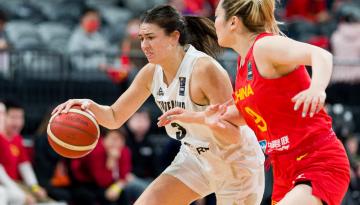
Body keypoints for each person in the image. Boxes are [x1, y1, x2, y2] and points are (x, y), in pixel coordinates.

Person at [52, 5, 265, 205]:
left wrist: (196, 119)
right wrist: (89, 106)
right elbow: (114, 117)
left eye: (151, 38)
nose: (144, 45)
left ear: (174, 37)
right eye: (142, 38)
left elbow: (233, 135)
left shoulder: (205, 70)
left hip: (234, 163)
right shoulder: (150, 72)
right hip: (196, 158)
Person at [168, 0, 349, 205]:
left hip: (318, 161)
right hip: (284, 169)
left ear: (233, 22)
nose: (214, 22)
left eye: (218, 16)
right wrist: (195, 117)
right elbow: (245, 114)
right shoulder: (243, 63)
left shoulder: (264, 46)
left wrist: (317, 88)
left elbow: (320, 54)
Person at [0, 99, 49, 205]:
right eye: (13, 117)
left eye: (20, 117)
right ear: (3, 117)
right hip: (6, 187)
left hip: (14, 185)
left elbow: (25, 166)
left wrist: (35, 187)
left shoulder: (17, 139)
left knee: (48, 201)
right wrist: (21, 195)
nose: (18, 122)